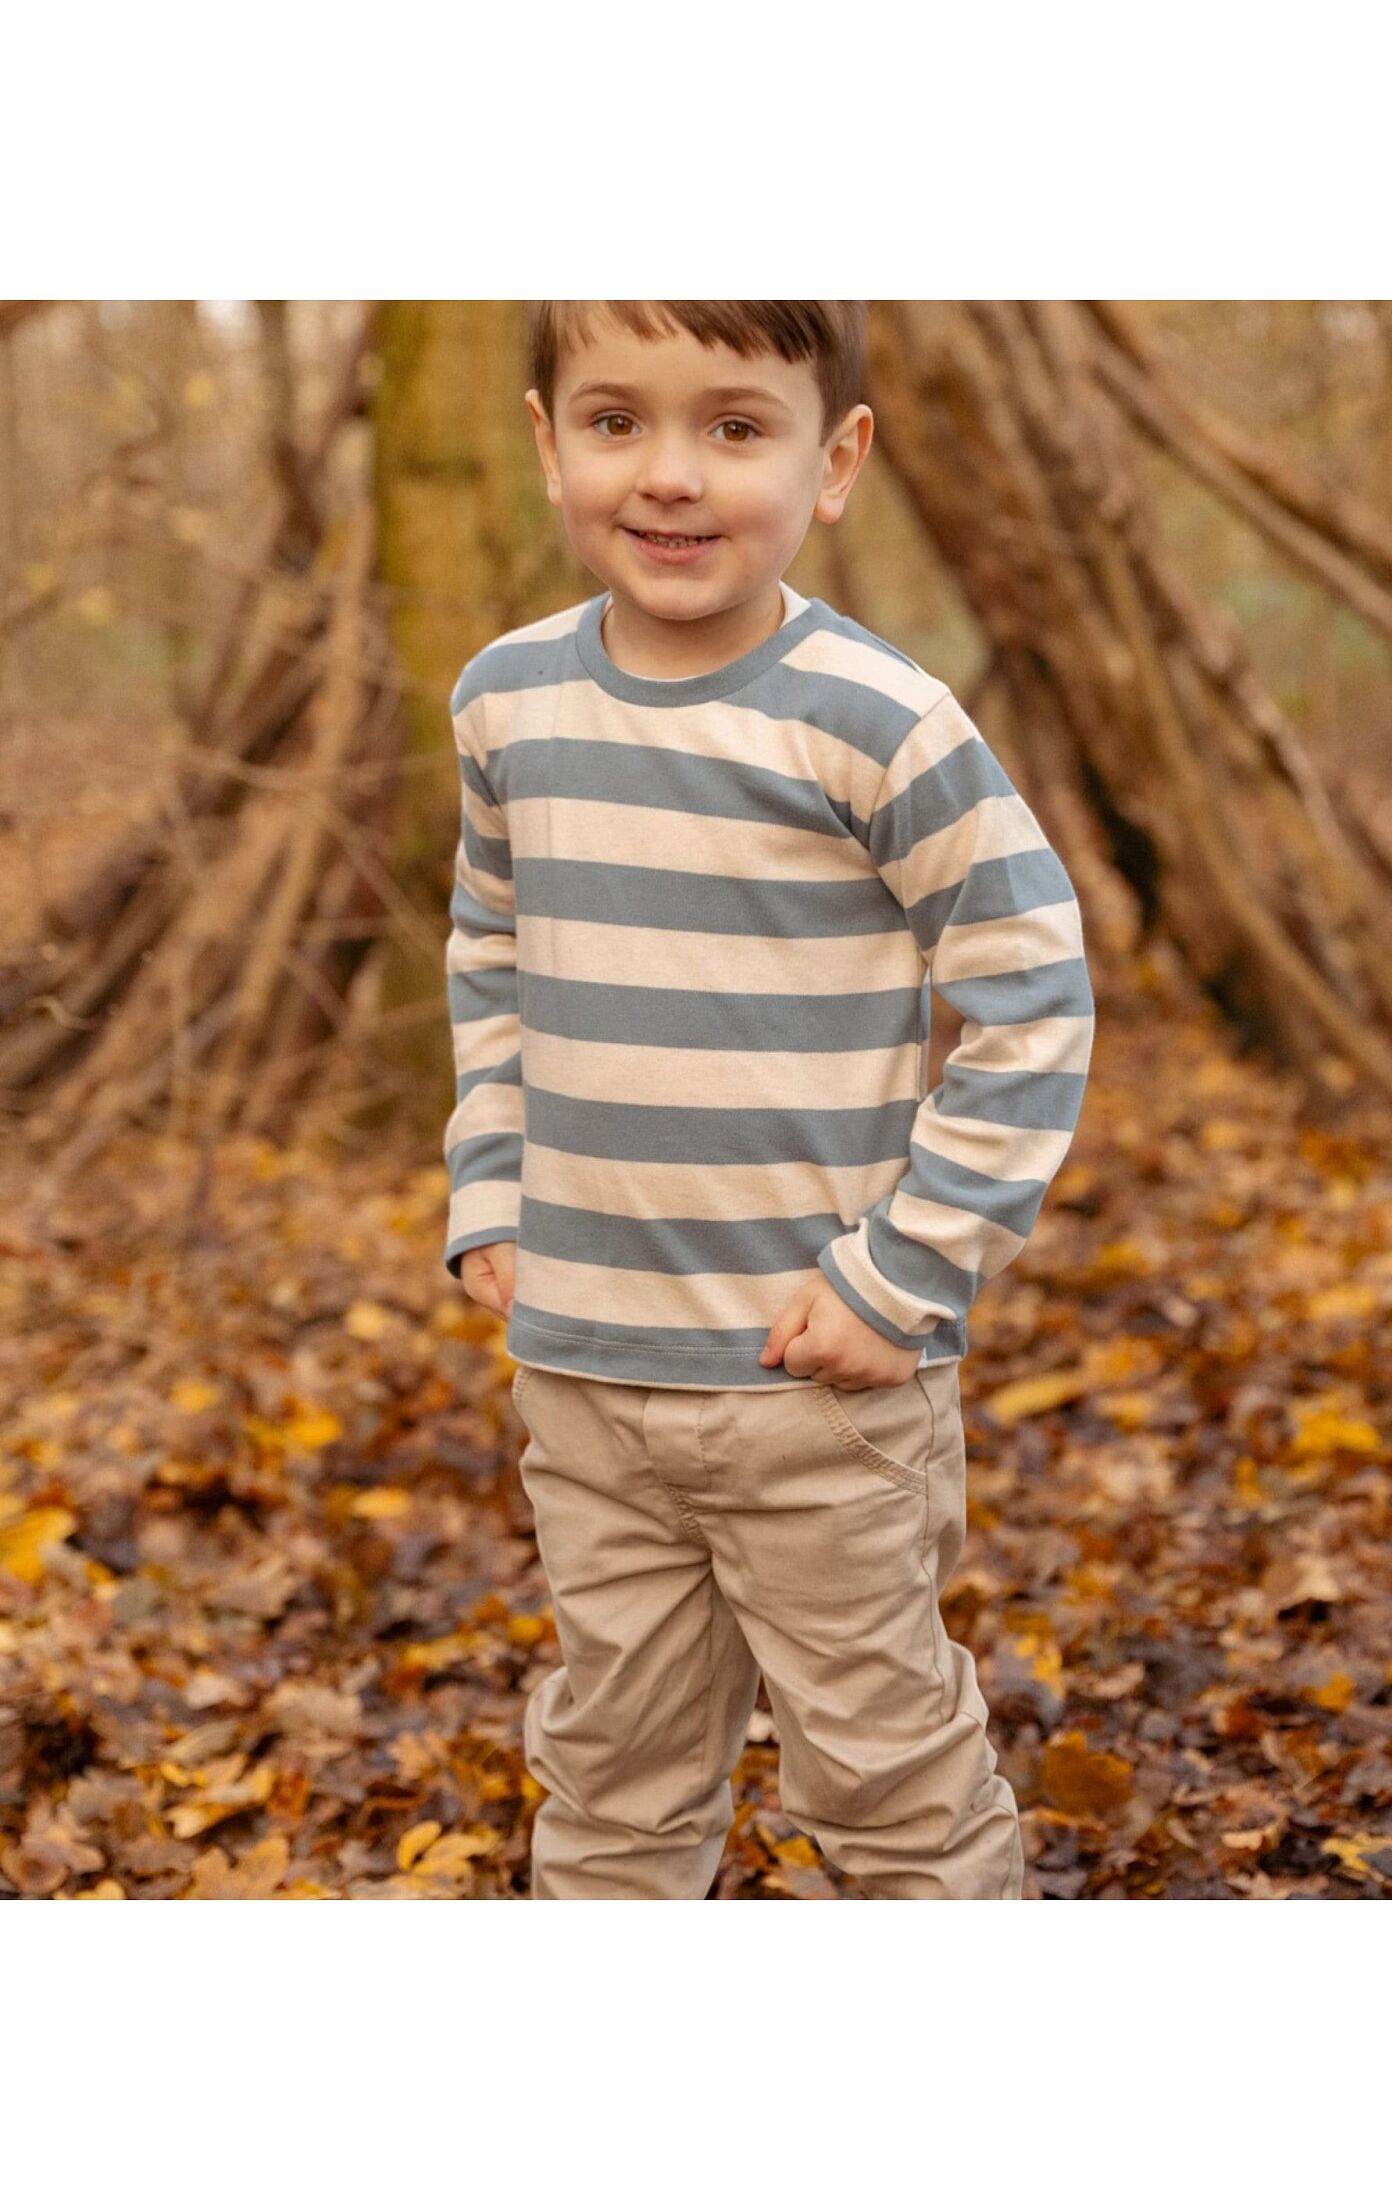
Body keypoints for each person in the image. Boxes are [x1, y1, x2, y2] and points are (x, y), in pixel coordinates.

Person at [441, 300, 1095, 1898]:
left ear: (835, 461)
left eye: (734, 428)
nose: (669, 475)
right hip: (586, 1369)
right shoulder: (507, 702)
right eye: (616, 422)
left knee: (886, 1779)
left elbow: (1031, 985)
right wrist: (489, 1185)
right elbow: (492, 953)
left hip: (817, 1380)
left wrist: (908, 1273)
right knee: (611, 1776)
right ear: (545, 440)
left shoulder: (872, 717)